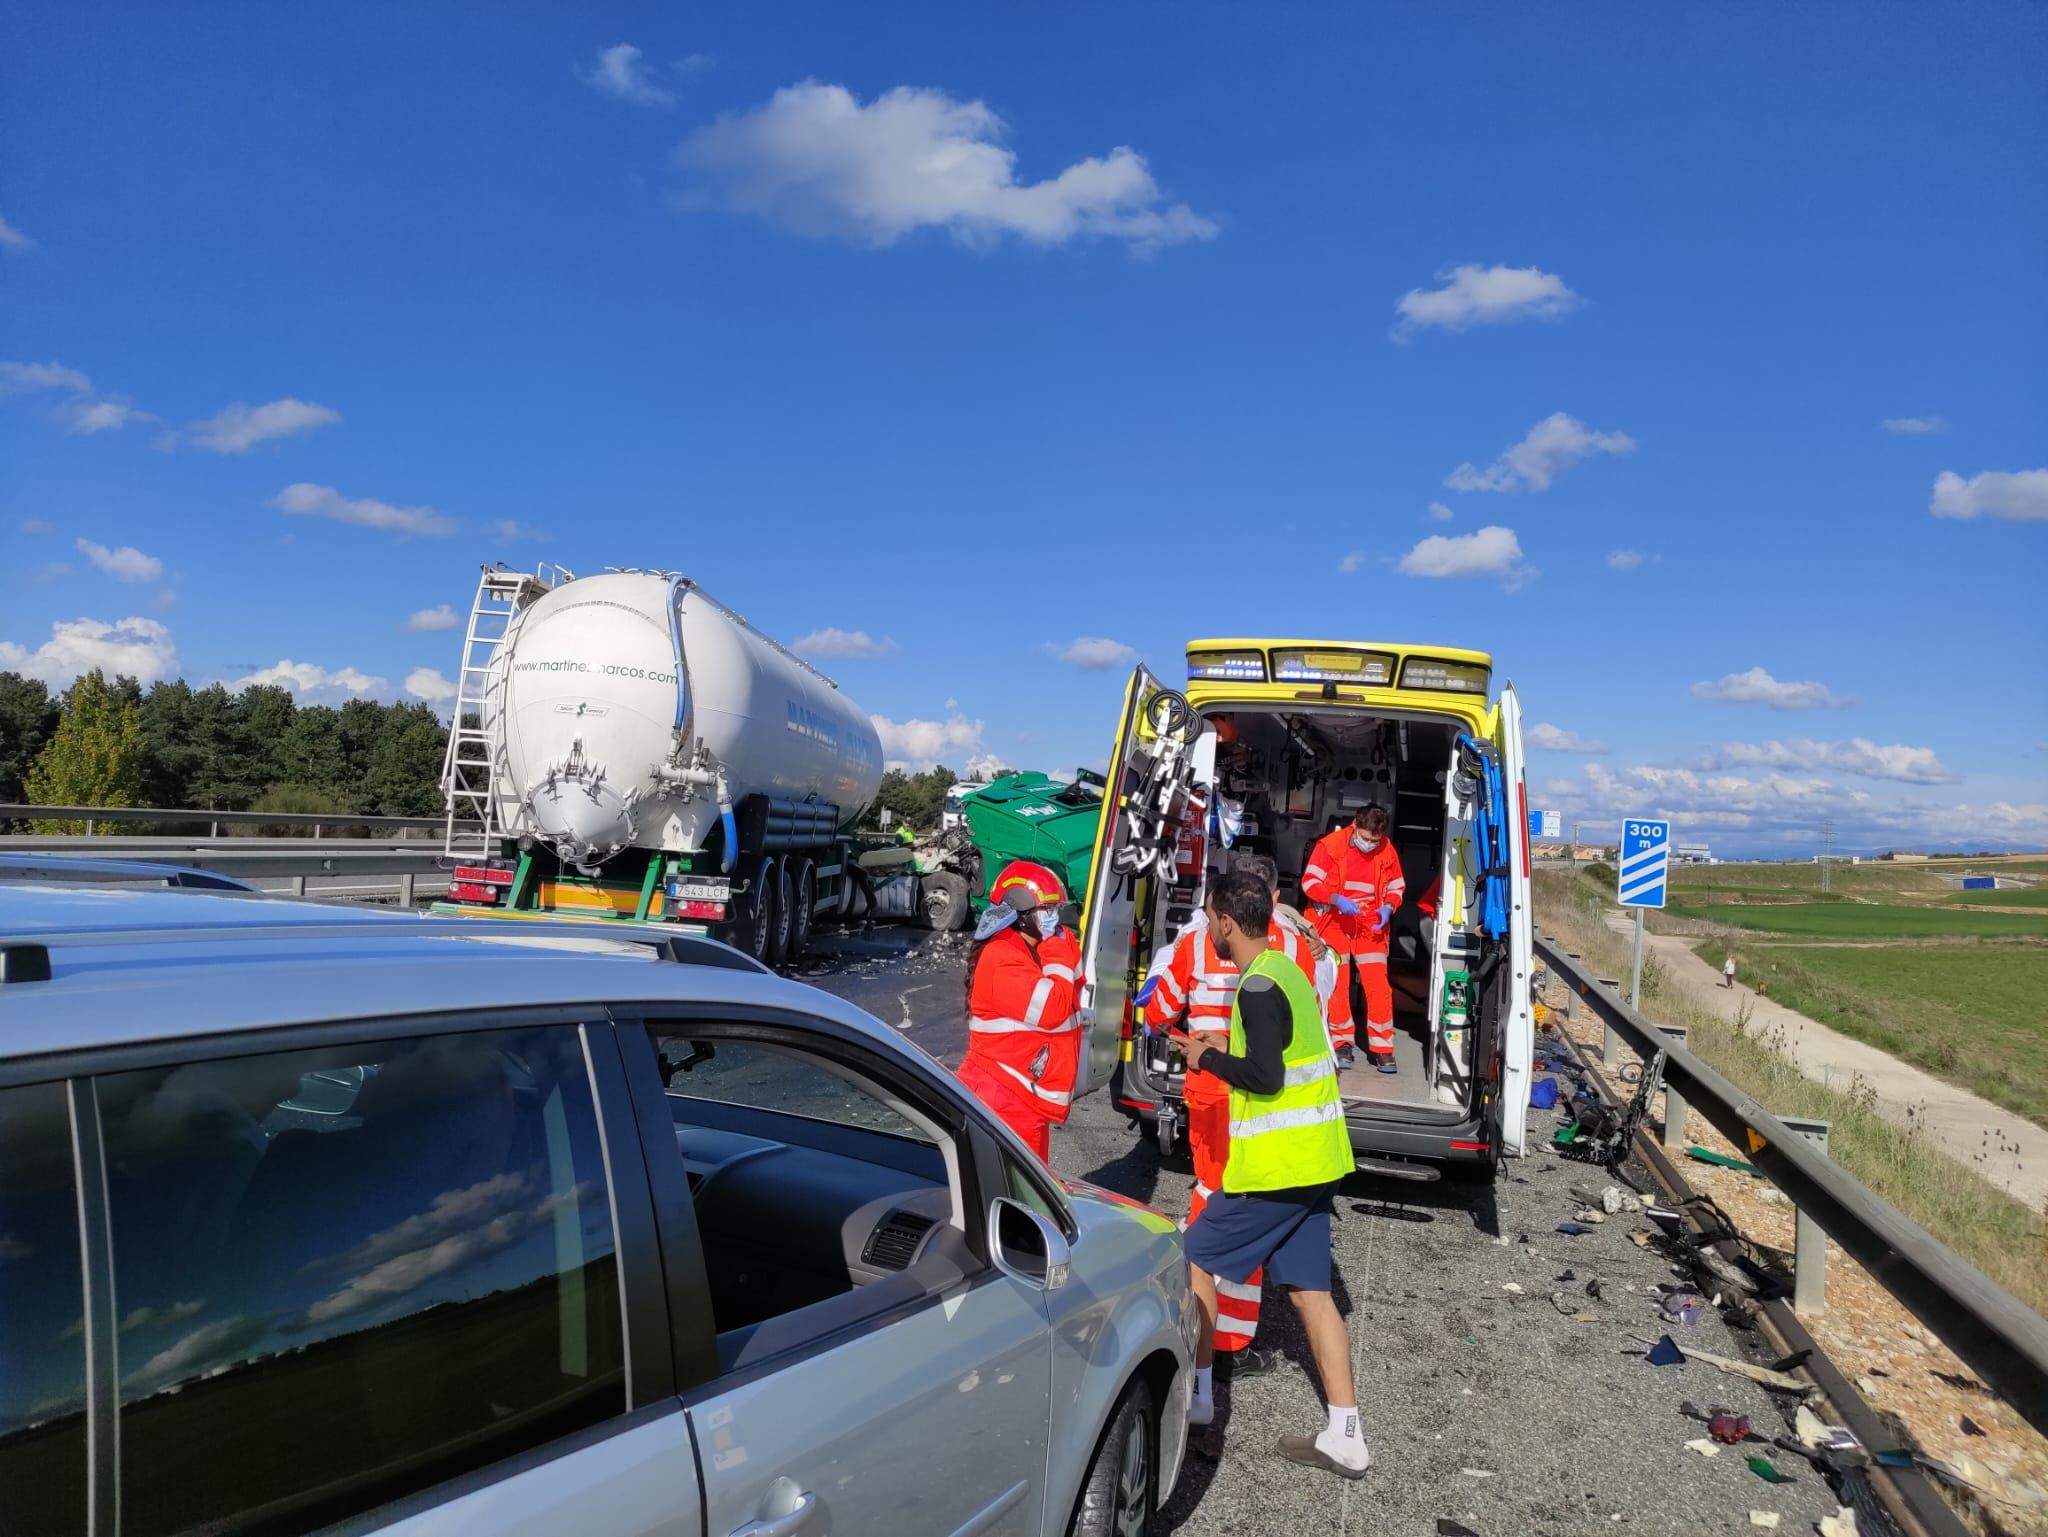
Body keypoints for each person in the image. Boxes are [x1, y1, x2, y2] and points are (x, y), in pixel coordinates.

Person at [1178, 868, 1370, 1478]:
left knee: (1195, 1254)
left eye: (1210, 917)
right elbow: (1279, 1054)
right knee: (1313, 1294)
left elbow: (1266, 1078)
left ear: (1228, 923)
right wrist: (1222, 1043)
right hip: (1317, 1164)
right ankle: (1346, 1434)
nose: (1208, 927)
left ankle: (1199, 1398)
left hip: (1280, 1170)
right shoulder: (1287, 971)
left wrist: (1205, 1055)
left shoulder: (1256, 988)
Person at [1136, 855, 1318, 1372]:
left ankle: (1200, 1328)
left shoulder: (1194, 944)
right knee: (1246, 1204)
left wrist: (1183, 1039)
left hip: (1212, 1093)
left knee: (1213, 1196)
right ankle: (1231, 1339)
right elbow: (1309, 1017)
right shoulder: (1290, 949)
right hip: (1266, 1104)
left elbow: (1157, 1013)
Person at [958, 860, 1081, 1162]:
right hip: (1002, 1100)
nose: (1055, 918)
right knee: (1017, 1199)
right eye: (1047, 910)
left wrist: (1059, 946)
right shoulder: (1002, 957)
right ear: (1021, 914)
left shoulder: (1027, 950)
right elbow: (1054, 1007)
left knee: (1026, 1199)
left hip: (1019, 1099)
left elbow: (1075, 984)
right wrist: (1056, 946)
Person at [1301, 803, 1407, 1072]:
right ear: (1356, 825)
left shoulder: (1387, 848)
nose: (1371, 844)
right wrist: (1336, 899)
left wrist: (1389, 907)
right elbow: (1310, 883)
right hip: (1334, 920)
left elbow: (1396, 885)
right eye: (1368, 838)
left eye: (1376, 839)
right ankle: (1342, 1043)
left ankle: (1383, 1049)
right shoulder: (1331, 845)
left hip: (1370, 923)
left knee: (1378, 986)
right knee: (1339, 983)